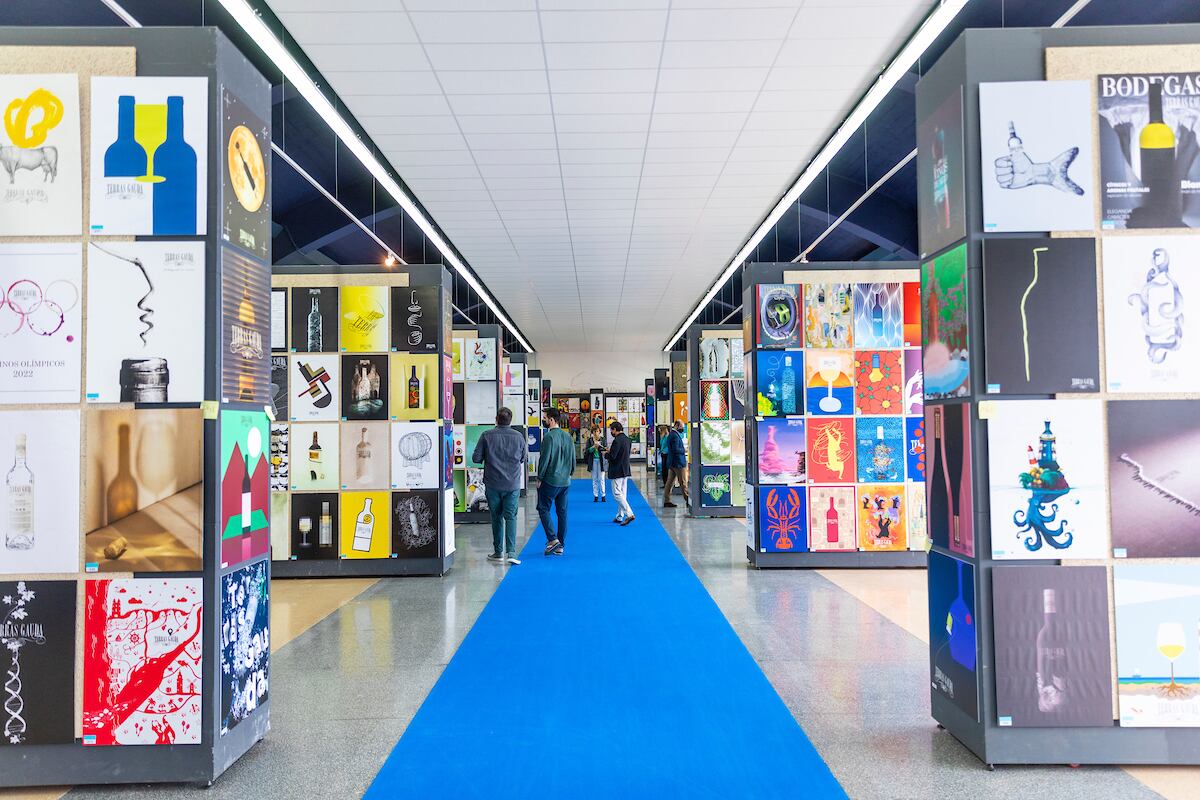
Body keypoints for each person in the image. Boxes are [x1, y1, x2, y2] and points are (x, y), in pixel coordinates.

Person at [472, 407, 528, 565]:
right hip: (512, 484)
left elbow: (476, 458)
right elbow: (523, 458)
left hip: (493, 484)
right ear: (511, 420)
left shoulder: (486, 436)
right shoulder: (518, 437)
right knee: (511, 517)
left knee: (496, 517)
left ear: (496, 419)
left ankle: (498, 552)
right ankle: (511, 552)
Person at [537, 407, 574, 556]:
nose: (543, 420)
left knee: (543, 508)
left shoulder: (548, 437)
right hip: (565, 481)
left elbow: (544, 460)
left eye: (545, 418)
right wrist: (569, 474)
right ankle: (561, 546)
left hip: (551, 480)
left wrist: (539, 478)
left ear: (551, 420)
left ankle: (553, 539)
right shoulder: (568, 437)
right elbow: (572, 461)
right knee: (562, 512)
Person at [606, 420, 634, 526]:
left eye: (611, 430)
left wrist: (606, 454)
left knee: (617, 494)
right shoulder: (627, 439)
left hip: (617, 470)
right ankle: (619, 516)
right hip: (625, 469)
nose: (611, 433)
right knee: (623, 494)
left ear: (614, 430)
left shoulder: (617, 440)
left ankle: (629, 514)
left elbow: (613, 456)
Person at [661, 419, 690, 508]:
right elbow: (676, 449)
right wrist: (684, 450)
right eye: (682, 427)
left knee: (669, 482)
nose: (682, 429)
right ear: (677, 426)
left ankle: (667, 500)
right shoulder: (675, 436)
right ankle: (688, 501)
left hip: (672, 462)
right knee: (683, 482)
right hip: (678, 463)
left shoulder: (671, 435)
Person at [585, 425, 607, 502]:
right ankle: (596, 495)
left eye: (597, 431)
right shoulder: (590, 440)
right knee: (594, 478)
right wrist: (593, 447)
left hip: (602, 461)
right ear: (592, 432)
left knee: (601, 478)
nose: (596, 433)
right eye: (594, 431)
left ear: (599, 432)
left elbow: (605, 449)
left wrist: (600, 447)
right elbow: (587, 451)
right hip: (593, 461)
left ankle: (603, 495)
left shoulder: (603, 439)